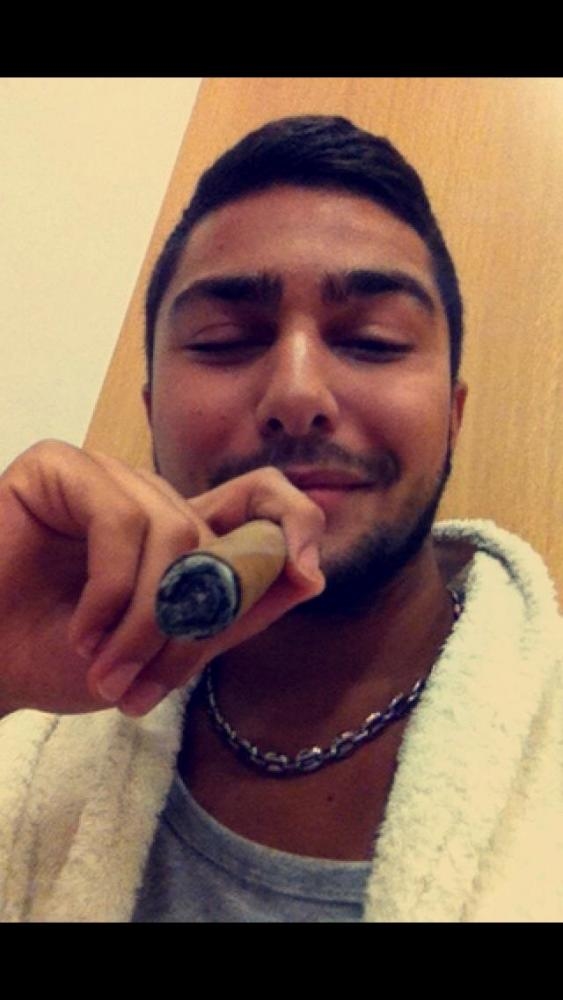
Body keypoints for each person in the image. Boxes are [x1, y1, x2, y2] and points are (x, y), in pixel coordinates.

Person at [0, 115, 561, 923]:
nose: (297, 393)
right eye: (226, 341)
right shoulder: (33, 726)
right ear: (153, 412)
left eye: (373, 340)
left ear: (451, 415)